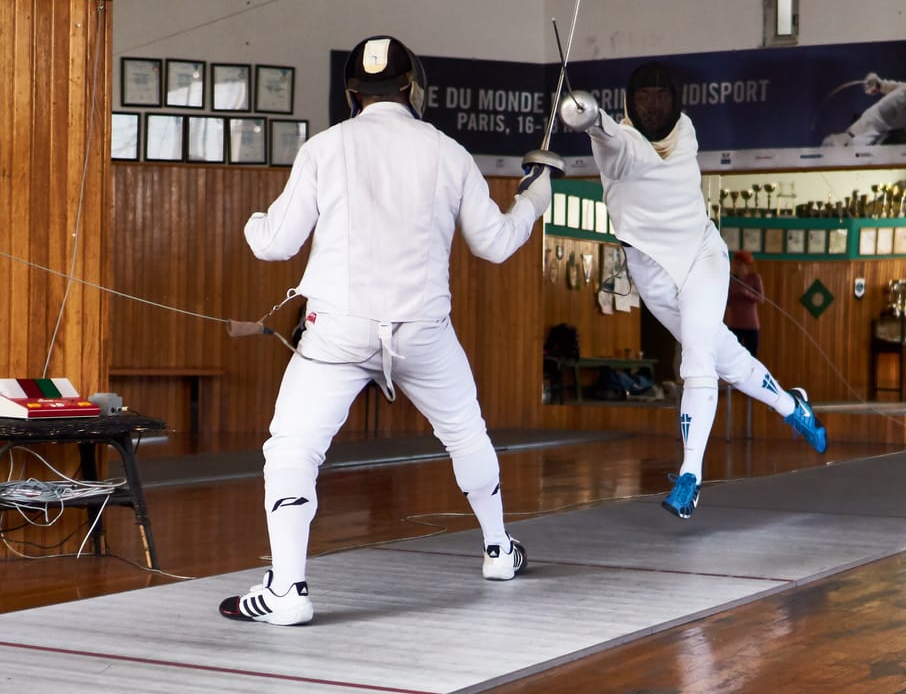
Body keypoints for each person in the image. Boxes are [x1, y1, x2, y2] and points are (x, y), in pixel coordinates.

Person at [219, 35, 552, 626]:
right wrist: (532, 203)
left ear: (352, 93)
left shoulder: (325, 147)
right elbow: (496, 245)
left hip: (336, 331)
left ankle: (288, 591)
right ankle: (499, 551)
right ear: (413, 88)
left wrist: (254, 220)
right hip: (423, 328)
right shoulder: (448, 152)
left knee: (293, 448)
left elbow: (274, 245)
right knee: (466, 433)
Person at [559, 63, 827, 520]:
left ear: (675, 102)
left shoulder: (686, 130)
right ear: (631, 101)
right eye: (645, 97)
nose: (654, 105)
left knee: (698, 358)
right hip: (653, 274)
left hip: (703, 257)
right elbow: (607, 134)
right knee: (727, 357)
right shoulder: (620, 147)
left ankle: (691, 477)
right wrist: (590, 119)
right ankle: (791, 405)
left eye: (662, 97)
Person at [726, 250, 764, 356]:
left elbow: (761, 299)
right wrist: (732, 293)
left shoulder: (754, 278)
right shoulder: (731, 280)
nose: (736, 266)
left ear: (746, 265)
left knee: (752, 356)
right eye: (735, 263)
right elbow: (726, 302)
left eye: (739, 264)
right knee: (733, 356)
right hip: (734, 325)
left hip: (751, 326)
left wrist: (746, 293)